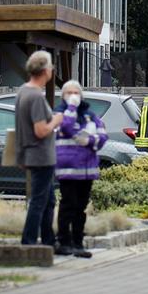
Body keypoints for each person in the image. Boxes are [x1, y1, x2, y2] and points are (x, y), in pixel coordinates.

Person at [15, 51, 64, 248]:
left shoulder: (23, 91)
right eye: (51, 66)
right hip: (41, 156)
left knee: (48, 200)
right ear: (45, 71)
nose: (52, 70)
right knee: (38, 201)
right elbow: (41, 130)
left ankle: (49, 240)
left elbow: (21, 127)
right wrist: (56, 120)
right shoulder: (35, 96)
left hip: (32, 154)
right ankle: (28, 242)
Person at [55, 80, 107, 258]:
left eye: (76, 93)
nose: (73, 96)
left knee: (81, 207)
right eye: (69, 93)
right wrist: (71, 107)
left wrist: (89, 141)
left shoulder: (90, 116)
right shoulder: (60, 113)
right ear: (63, 96)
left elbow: (102, 136)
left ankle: (78, 243)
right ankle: (64, 242)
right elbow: (66, 127)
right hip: (68, 169)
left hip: (87, 170)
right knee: (68, 205)